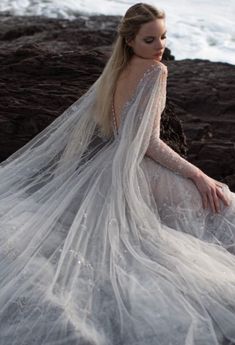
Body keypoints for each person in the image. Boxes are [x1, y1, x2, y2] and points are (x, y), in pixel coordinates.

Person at [0, 2, 235, 345]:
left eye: (164, 38)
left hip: (110, 166)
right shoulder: (156, 73)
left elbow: (113, 131)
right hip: (136, 169)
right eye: (150, 40)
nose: (160, 47)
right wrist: (199, 175)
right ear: (130, 41)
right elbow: (150, 144)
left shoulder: (116, 70)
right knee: (221, 203)